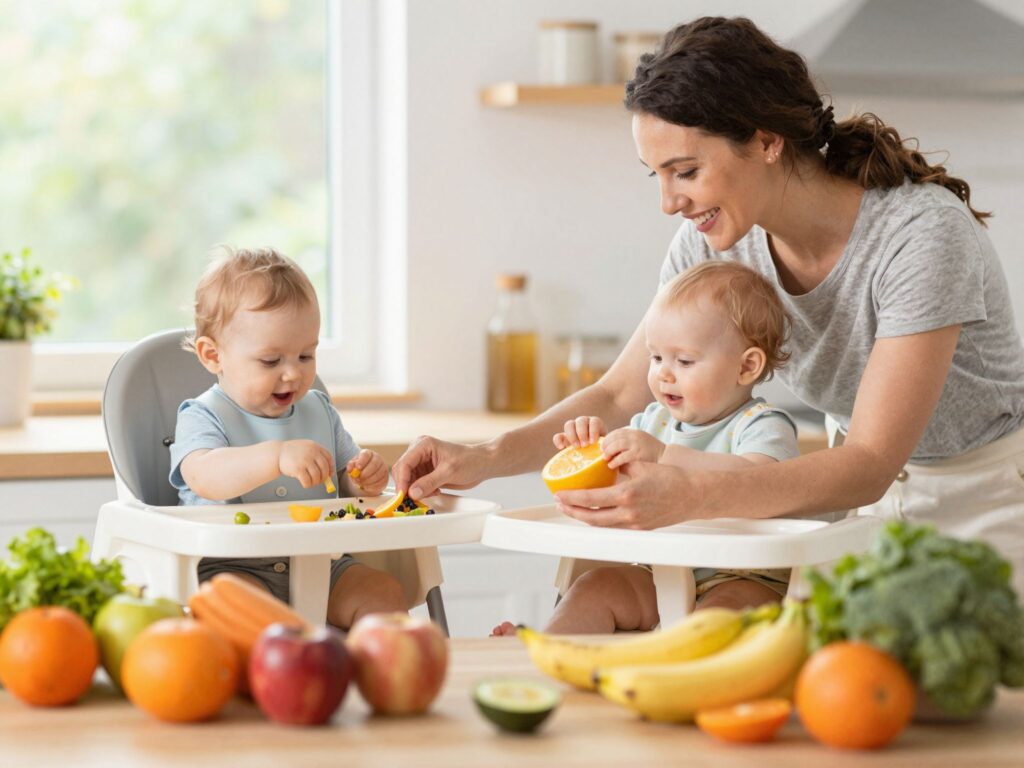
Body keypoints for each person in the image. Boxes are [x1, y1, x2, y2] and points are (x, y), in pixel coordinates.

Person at [395, 15, 1024, 608]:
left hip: (981, 501)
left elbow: (869, 464)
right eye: (657, 177)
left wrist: (691, 487)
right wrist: (484, 457)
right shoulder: (713, 241)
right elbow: (619, 395)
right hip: (847, 510)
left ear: (767, 141)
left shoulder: (920, 236)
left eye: (686, 170)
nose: (670, 202)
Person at [493, 261, 799, 635]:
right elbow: (619, 483)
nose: (664, 373)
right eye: (656, 358)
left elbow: (761, 481)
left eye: (684, 360)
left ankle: (675, 671)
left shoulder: (762, 425)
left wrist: (665, 456)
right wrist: (589, 449)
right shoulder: (653, 423)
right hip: (660, 572)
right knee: (594, 587)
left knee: (717, 619)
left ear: (747, 366)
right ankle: (544, 650)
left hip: (743, 579)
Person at [170, 247, 407, 628]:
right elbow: (204, 475)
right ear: (213, 356)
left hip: (323, 564)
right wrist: (275, 457)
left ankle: (370, 676)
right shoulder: (203, 415)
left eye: (306, 356)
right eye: (271, 361)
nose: (293, 374)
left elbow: (348, 481)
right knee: (239, 611)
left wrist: (363, 477)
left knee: (386, 594)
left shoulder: (319, 410)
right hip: (232, 567)